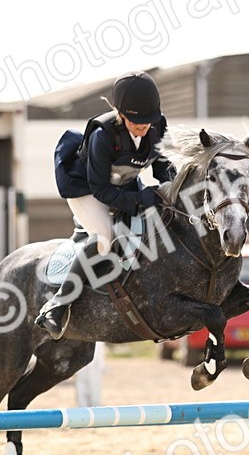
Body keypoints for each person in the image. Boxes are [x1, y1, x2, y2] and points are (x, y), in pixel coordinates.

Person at [35, 71, 174, 339]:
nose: (143, 127)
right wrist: (141, 199)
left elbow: (162, 167)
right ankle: (57, 305)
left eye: (147, 121)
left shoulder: (157, 125)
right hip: (88, 190)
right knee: (104, 237)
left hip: (124, 184)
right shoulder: (103, 135)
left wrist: (173, 188)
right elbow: (101, 190)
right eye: (136, 122)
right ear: (120, 114)